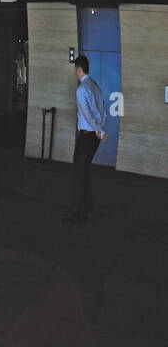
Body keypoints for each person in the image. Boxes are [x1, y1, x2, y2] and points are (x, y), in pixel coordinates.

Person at [64, 54, 108, 225]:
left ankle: (78, 214)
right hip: (94, 138)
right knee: (84, 173)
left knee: (78, 175)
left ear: (79, 70)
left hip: (87, 136)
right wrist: (102, 130)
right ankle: (88, 210)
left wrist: (98, 131)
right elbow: (102, 111)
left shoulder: (82, 89)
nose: (75, 73)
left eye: (76, 70)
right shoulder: (95, 86)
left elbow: (87, 114)